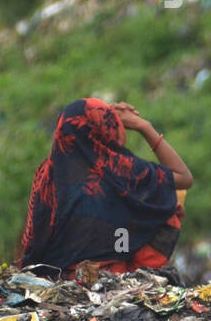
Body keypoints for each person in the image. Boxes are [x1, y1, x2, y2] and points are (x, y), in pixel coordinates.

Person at [17, 98, 193, 277]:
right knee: (170, 202)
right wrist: (144, 127)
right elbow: (184, 177)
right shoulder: (120, 170)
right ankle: (136, 268)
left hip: (54, 274)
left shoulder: (47, 174)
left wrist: (105, 111)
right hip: (109, 274)